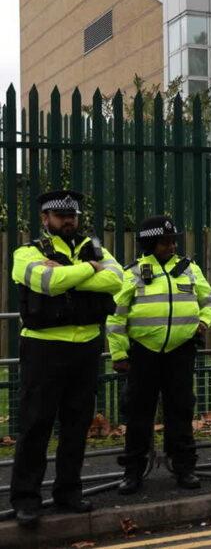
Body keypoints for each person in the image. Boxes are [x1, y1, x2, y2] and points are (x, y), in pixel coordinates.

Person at [9, 190, 123, 528]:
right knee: (36, 425)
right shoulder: (27, 252)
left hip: (86, 348)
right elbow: (47, 282)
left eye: (72, 215)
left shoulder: (97, 247)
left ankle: (68, 492)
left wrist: (71, 273)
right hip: (44, 350)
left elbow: (117, 279)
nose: (68, 220)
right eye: (60, 216)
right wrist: (90, 270)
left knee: (77, 425)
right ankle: (26, 499)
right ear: (45, 219)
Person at [107, 215, 211, 494]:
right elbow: (116, 317)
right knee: (138, 413)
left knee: (181, 410)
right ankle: (133, 472)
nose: (171, 245)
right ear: (149, 243)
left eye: (173, 240)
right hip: (143, 354)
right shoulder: (132, 272)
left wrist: (203, 322)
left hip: (180, 352)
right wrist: (119, 354)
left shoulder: (189, 269)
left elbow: (210, 301)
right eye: (165, 241)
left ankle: (184, 468)